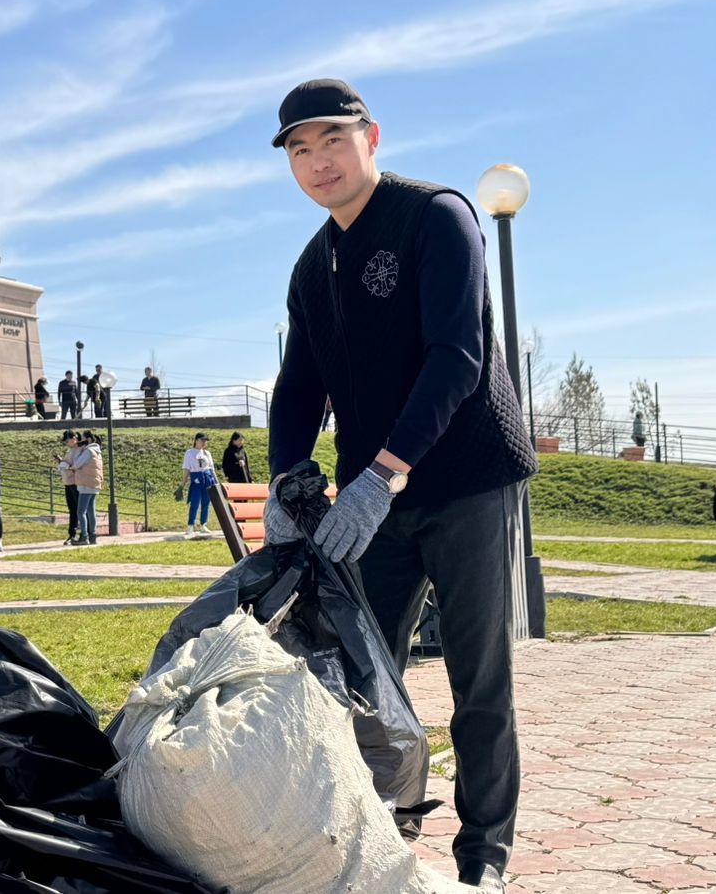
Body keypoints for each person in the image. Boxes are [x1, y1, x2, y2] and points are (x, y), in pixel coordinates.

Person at [263, 79, 538, 891]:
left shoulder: (437, 217)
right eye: (299, 151)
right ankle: (385, 822)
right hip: (370, 505)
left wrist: (385, 471)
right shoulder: (313, 267)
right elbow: (298, 383)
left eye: (332, 141)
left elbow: (457, 355)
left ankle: (484, 854)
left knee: (476, 674)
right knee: (363, 674)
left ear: (370, 137)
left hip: (465, 482)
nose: (318, 163)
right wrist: (286, 477)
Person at [69, 430, 103, 545]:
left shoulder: (88, 451)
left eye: (82, 438)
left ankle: (84, 536)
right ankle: (93, 536)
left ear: (87, 440)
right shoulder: (96, 451)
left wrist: (79, 450)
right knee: (90, 511)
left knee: (80, 512)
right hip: (94, 484)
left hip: (86, 484)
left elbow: (77, 463)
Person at [181, 432, 217, 537]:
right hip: (196, 479)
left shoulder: (207, 453)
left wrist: (216, 482)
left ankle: (203, 524)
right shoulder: (189, 453)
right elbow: (187, 469)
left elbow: (212, 469)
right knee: (195, 503)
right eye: (202, 440)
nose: (204, 443)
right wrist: (182, 483)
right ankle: (190, 526)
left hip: (207, 479)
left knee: (206, 503)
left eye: (205, 441)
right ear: (196, 440)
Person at [57, 429, 82, 545]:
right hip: (68, 483)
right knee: (72, 510)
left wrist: (65, 464)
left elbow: (76, 465)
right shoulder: (70, 450)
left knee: (78, 510)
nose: (66, 443)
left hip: (75, 483)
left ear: (74, 439)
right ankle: (72, 533)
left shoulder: (79, 450)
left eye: (67, 441)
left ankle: (80, 533)